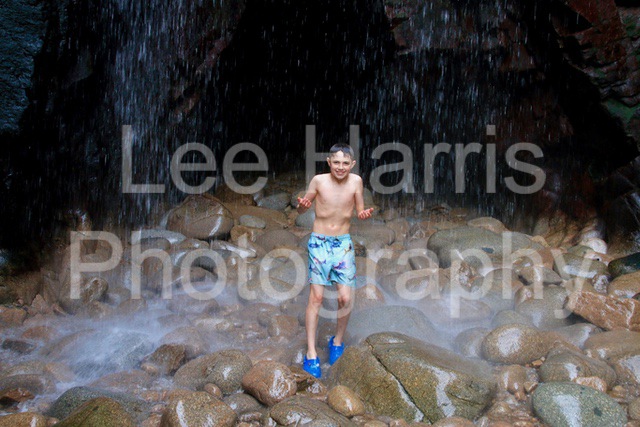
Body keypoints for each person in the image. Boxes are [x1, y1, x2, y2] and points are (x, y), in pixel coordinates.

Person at [296, 143, 374, 378]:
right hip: (319, 243)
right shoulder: (319, 181)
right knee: (316, 297)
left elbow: (359, 210)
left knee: (345, 297)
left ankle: (337, 341)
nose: (340, 167)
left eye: (345, 163)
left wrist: (363, 214)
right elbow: (302, 209)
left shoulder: (356, 182)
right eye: (336, 162)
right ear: (329, 162)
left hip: (342, 244)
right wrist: (302, 206)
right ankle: (311, 352)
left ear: (352, 164)